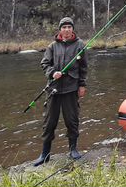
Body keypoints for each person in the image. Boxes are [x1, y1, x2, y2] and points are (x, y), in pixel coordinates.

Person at [33, 17, 88, 166]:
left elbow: (83, 68)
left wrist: (82, 85)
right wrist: (52, 72)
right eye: (64, 27)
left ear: (72, 29)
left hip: (71, 89)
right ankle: (45, 154)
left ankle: (73, 149)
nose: (67, 29)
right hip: (53, 90)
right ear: (60, 30)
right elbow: (44, 63)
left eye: (69, 27)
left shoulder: (80, 45)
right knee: (49, 122)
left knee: (72, 120)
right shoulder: (52, 46)